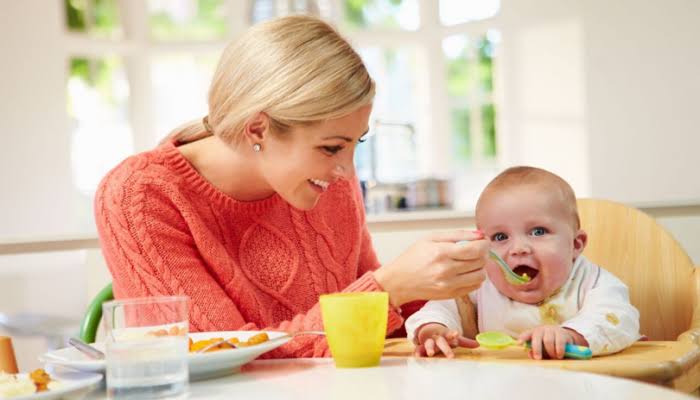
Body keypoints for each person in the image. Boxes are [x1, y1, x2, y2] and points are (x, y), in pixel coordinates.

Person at [94, 15, 489, 358]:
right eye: (332, 147)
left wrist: (435, 311)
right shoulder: (139, 197)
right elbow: (217, 355)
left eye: (356, 143)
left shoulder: (326, 183)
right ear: (258, 128)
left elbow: (378, 329)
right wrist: (388, 289)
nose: (346, 172)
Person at [406, 166, 641, 359]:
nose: (518, 248)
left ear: (576, 244)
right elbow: (439, 307)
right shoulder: (479, 283)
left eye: (538, 231)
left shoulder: (592, 281)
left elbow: (617, 318)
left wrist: (571, 334)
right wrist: (433, 330)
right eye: (500, 237)